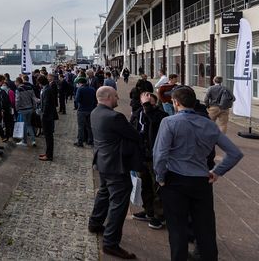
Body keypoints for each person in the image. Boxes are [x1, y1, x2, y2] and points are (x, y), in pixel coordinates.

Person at [153, 87, 244, 261]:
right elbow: (235, 153)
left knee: (177, 228)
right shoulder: (209, 124)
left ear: (175, 102)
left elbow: (160, 154)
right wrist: (217, 171)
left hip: (175, 180)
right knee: (206, 228)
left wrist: (160, 177)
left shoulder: (169, 122)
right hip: (201, 181)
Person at [88, 87, 141, 260]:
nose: (119, 97)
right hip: (115, 165)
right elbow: (135, 135)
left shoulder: (95, 112)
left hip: (102, 161)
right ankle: (110, 243)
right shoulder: (115, 117)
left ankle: (95, 223)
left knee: (104, 193)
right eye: (117, 95)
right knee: (118, 202)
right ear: (109, 97)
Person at [129, 92, 168, 230]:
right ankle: (149, 211)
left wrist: (148, 106)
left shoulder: (161, 115)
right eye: (145, 101)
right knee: (144, 185)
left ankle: (160, 216)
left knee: (157, 186)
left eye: (150, 102)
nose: (147, 105)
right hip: (141, 155)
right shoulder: (137, 113)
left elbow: (154, 121)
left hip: (155, 157)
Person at [15, 74, 39, 147]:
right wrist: (34, 107)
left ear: (18, 82)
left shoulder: (18, 90)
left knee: (25, 125)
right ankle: (33, 140)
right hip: (30, 109)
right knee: (29, 125)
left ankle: (24, 141)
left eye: (15, 82)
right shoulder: (29, 87)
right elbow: (34, 98)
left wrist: (17, 108)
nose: (15, 84)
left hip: (23, 110)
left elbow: (17, 100)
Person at [38, 74, 57, 161]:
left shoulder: (46, 90)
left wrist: (43, 115)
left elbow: (46, 104)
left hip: (47, 117)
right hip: (48, 115)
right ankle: (47, 153)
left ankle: (49, 155)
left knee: (48, 136)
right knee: (48, 136)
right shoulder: (47, 88)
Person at [74, 77, 96, 147]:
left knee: (81, 127)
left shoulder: (80, 89)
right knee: (89, 127)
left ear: (80, 83)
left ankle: (80, 142)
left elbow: (77, 100)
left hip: (82, 110)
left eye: (78, 83)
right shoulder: (92, 89)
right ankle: (90, 141)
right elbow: (95, 100)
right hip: (90, 110)